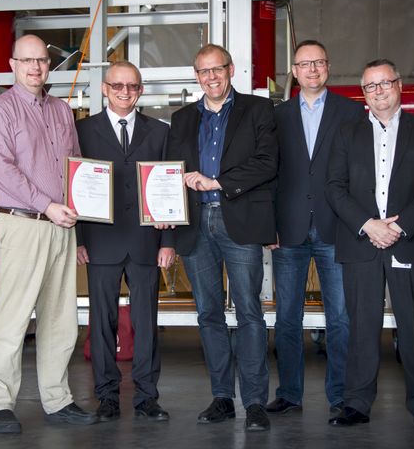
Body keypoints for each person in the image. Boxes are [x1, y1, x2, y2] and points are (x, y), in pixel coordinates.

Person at [0, 34, 97, 434]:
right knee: (11, 320)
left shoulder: (62, 111)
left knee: (61, 319)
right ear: (12, 64)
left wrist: (79, 222)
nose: (35, 67)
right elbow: (3, 172)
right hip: (22, 224)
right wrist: (48, 205)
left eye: (42, 61)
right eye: (27, 60)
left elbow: (75, 167)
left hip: (62, 228)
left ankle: (57, 398)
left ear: (49, 66)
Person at [326, 59, 414, 429]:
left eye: (385, 83)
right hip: (361, 241)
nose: (378, 91)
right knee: (361, 327)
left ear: (399, 85)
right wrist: (368, 225)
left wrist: (399, 227)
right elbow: (335, 187)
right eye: (370, 86)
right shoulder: (346, 133)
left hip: (410, 242)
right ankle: (357, 404)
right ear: (363, 94)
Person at [166, 44, 277, 432]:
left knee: (249, 311)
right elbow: (167, 171)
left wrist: (218, 182)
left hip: (239, 220)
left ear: (230, 70)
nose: (211, 77)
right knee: (208, 313)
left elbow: (267, 162)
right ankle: (222, 398)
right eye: (203, 71)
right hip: (196, 225)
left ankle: (256, 402)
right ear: (196, 76)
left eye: (218, 70)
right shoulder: (180, 119)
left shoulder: (258, 110)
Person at [266, 40, 364, 417]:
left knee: (340, 317)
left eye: (318, 63)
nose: (311, 70)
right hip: (287, 230)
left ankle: (340, 395)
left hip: (336, 228)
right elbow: (270, 173)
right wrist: (268, 225)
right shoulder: (277, 115)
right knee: (287, 317)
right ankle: (289, 394)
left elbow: (360, 173)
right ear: (294, 70)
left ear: (328, 67)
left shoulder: (351, 113)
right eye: (304, 64)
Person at [75, 61, 175, 422]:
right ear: (104, 88)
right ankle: (107, 395)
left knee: (146, 321)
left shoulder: (160, 132)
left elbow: (170, 188)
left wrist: (167, 241)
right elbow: (73, 186)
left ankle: (147, 396)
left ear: (140, 90)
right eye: (117, 85)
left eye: (132, 86)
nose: (124, 91)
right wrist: (78, 239)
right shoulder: (82, 130)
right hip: (100, 240)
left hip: (147, 240)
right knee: (101, 322)